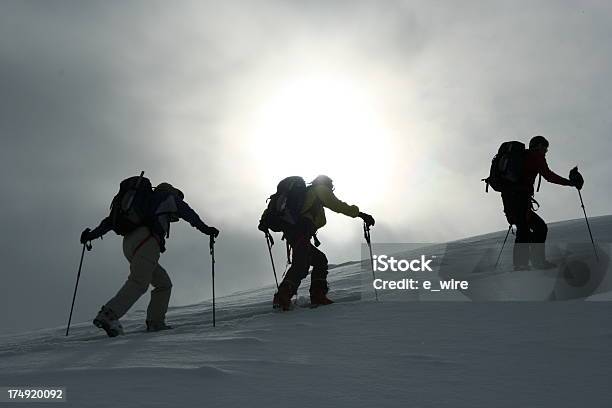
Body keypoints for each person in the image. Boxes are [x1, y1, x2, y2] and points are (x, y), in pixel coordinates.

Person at [80, 182, 219, 337]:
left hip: (129, 244)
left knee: (163, 284)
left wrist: (91, 235)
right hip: (147, 241)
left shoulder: (138, 204)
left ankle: (155, 321)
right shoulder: (168, 197)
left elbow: (109, 222)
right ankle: (109, 315)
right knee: (139, 282)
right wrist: (206, 229)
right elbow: (189, 213)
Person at [259, 175, 375, 310]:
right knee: (301, 264)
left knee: (319, 260)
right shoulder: (319, 189)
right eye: (331, 186)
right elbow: (338, 206)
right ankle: (285, 296)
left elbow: (271, 211)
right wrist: (361, 214)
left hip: (294, 232)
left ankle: (314, 294)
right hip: (301, 230)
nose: (331, 189)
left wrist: (263, 222)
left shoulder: (304, 194)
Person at [501, 136, 582, 270]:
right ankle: (529, 263)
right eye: (545, 148)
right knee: (533, 228)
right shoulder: (536, 156)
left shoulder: (522, 157)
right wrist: (570, 183)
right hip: (520, 198)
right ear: (539, 146)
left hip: (509, 198)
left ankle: (525, 263)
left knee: (528, 228)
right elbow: (549, 176)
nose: (546, 151)